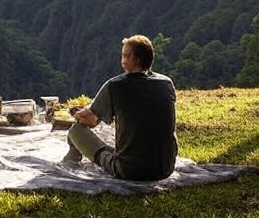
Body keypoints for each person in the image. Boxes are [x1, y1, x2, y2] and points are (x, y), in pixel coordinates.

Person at [63, 34, 178, 181]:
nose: (122, 61)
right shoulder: (166, 83)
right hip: (165, 168)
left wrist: (76, 113)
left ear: (135, 59)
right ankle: (71, 159)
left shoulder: (115, 86)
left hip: (129, 170)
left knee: (76, 131)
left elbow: (91, 120)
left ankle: (70, 162)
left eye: (125, 56)